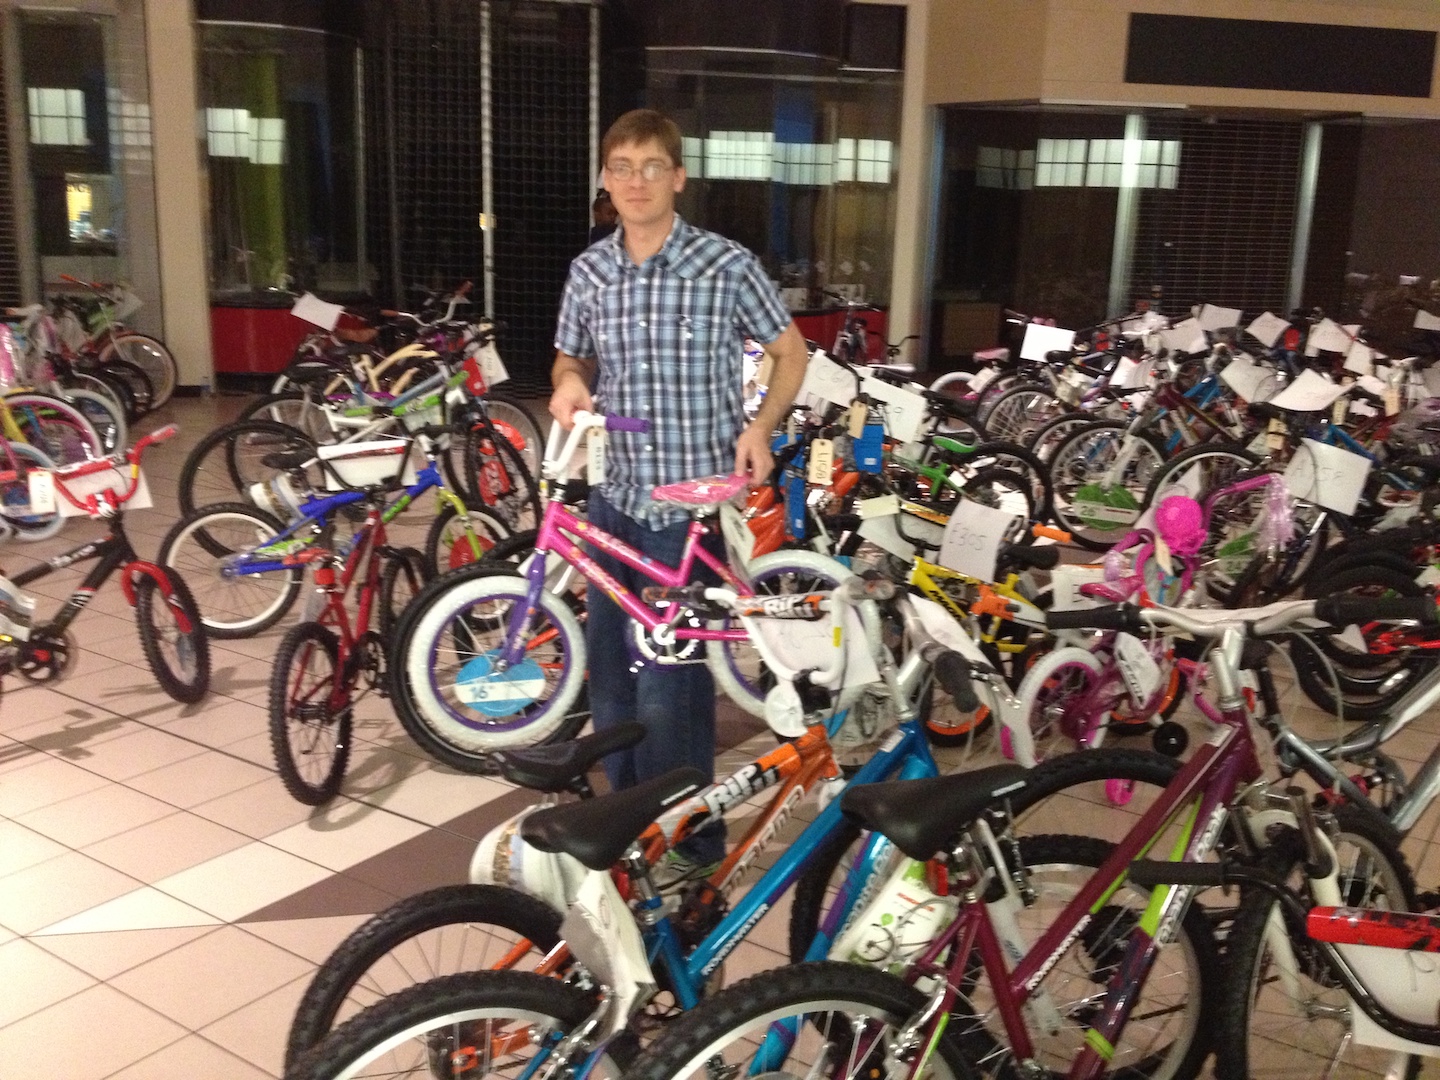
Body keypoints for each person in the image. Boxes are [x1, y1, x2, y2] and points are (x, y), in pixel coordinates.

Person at [550, 108, 810, 882]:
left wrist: (761, 426)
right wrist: (567, 388)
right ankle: (630, 832)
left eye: (650, 166)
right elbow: (572, 360)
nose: (635, 181)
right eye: (620, 166)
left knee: (671, 691)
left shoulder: (724, 264)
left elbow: (789, 353)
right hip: (613, 498)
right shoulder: (591, 271)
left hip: (686, 511)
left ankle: (690, 842)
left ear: (679, 176)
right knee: (612, 681)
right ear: (606, 178)